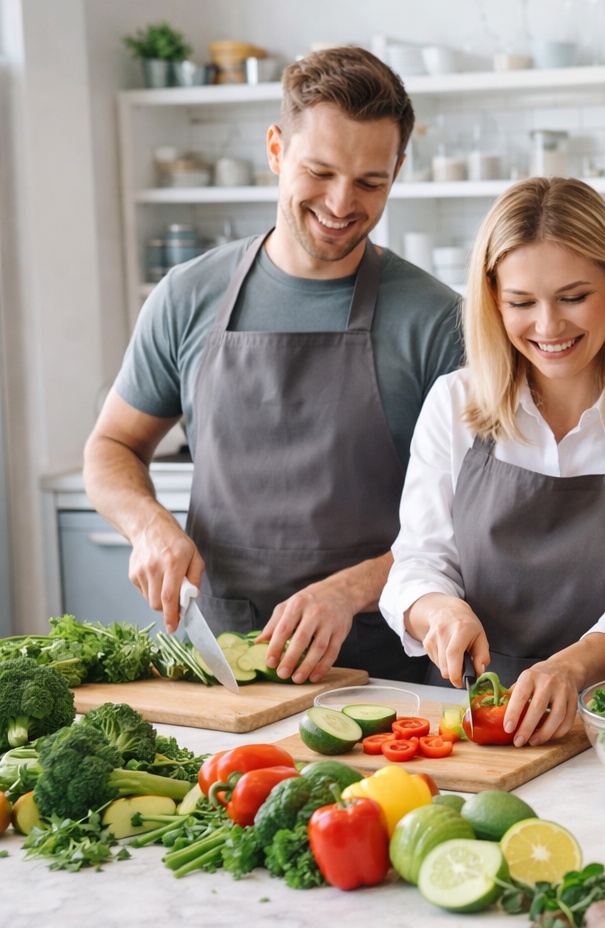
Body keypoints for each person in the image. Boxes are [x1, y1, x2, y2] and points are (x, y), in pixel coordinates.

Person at [84, 47, 462, 684]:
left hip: (382, 674)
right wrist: (148, 526)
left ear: (397, 170)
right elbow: (112, 445)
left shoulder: (436, 321)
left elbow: (473, 519)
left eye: (371, 182)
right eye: (320, 171)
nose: (343, 204)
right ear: (276, 150)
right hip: (220, 663)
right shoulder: (186, 296)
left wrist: (347, 592)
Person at [380, 177, 605, 744]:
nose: (549, 327)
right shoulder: (454, 402)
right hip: (467, 720)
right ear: (492, 300)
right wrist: (439, 611)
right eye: (521, 303)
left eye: (573, 297)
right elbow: (417, 560)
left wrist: (572, 668)